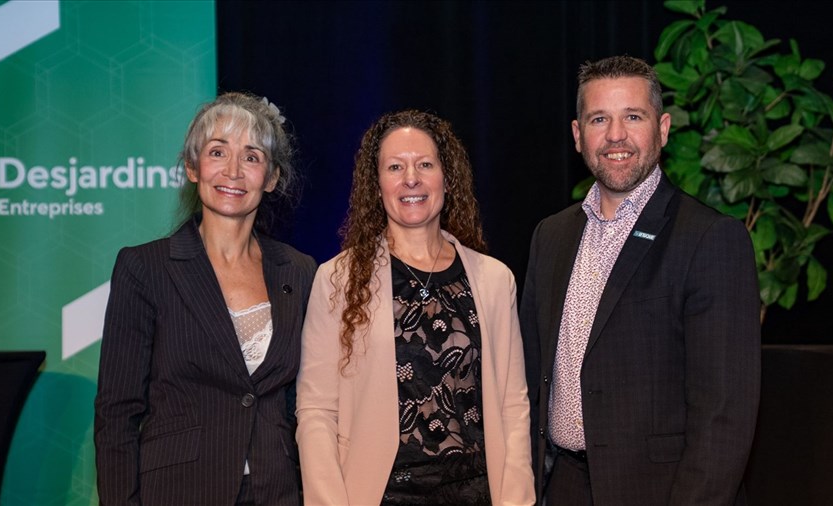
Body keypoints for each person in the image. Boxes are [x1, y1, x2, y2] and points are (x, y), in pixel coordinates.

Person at [520, 55, 761, 505]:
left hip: (663, 492)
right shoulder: (550, 237)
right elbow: (531, 383)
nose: (615, 135)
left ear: (663, 128)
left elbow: (724, 415)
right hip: (564, 487)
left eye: (633, 116)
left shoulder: (710, 238)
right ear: (578, 135)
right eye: (599, 119)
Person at [295, 110, 534, 505]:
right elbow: (317, 410)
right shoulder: (338, 278)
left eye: (425, 164)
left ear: (447, 178)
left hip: (477, 493)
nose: (411, 178)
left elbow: (513, 406)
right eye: (395, 166)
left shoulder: (494, 279)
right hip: (381, 495)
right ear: (377, 185)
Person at [94, 92, 316, 506]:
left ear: (270, 178)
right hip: (179, 492)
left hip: (278, 491)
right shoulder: (146, 267)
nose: (233, 170)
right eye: (218, 152)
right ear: (194, 168)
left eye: (251, 157)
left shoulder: (301, 271)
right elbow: (117, 414)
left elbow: (305, 405)